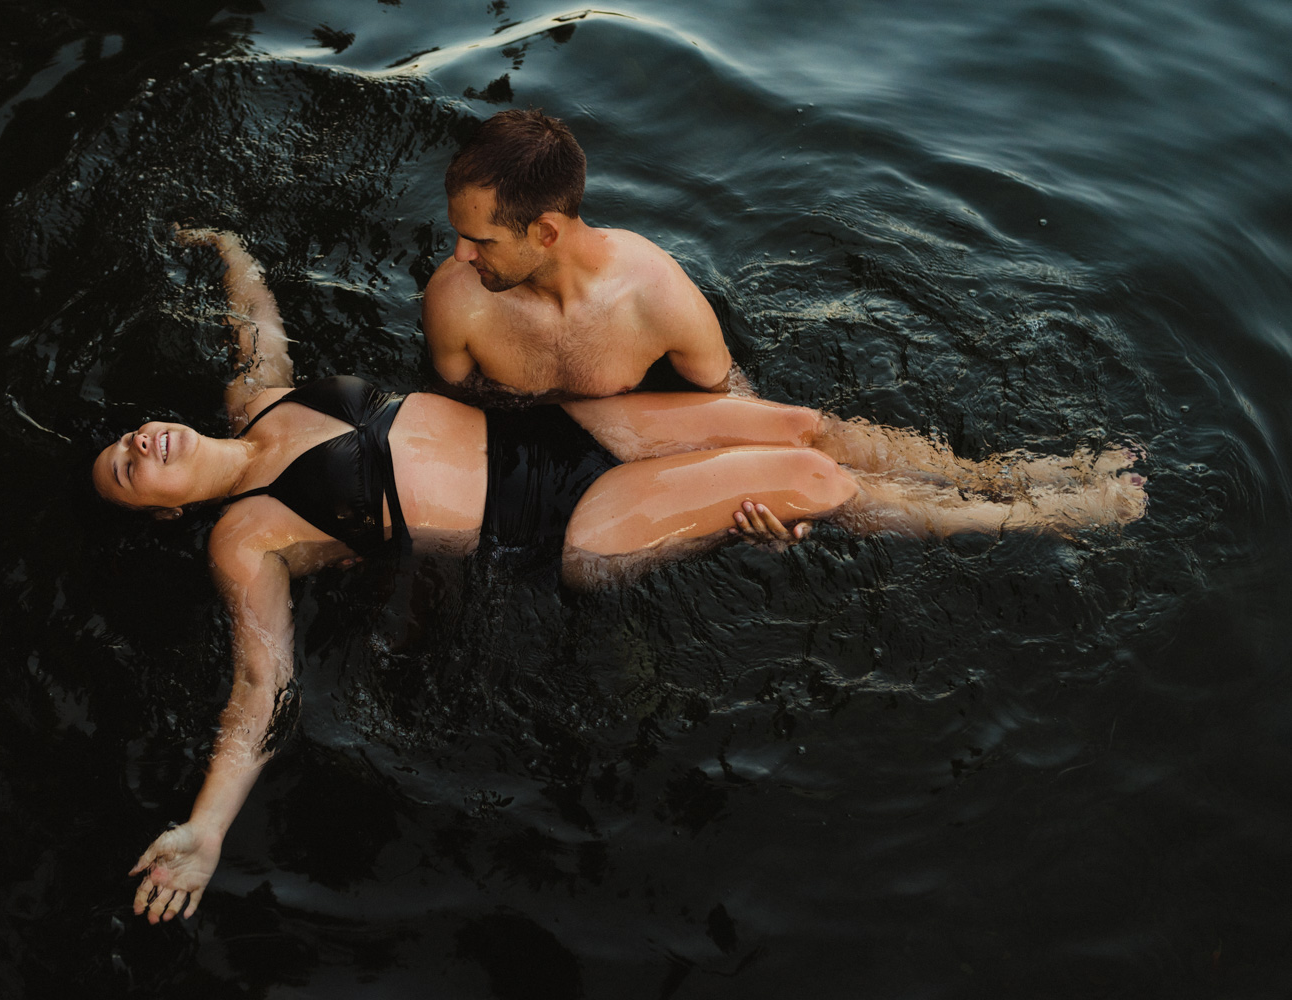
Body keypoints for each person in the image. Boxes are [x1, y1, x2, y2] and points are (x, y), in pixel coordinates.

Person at [97, 229, 1146, 923]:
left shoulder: (261, 405)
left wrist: (229, 251)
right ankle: (1044, 514)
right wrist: (205, 827)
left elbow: (258, 324)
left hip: (565, 435)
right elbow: (257, 687)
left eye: (126, 439)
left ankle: (1002, 471)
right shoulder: (245, 536)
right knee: (813, 478)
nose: (137, 445)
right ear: (171, 510)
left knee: (796, 421)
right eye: (126, 473)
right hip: (554, 522)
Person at [422, 108, 749, 398]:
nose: (461, 254)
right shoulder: (453, 302)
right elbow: (450, 411)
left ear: (546, 233)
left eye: (482, 241)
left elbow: (733, 400)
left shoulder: (660, 297)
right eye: (459, 232)